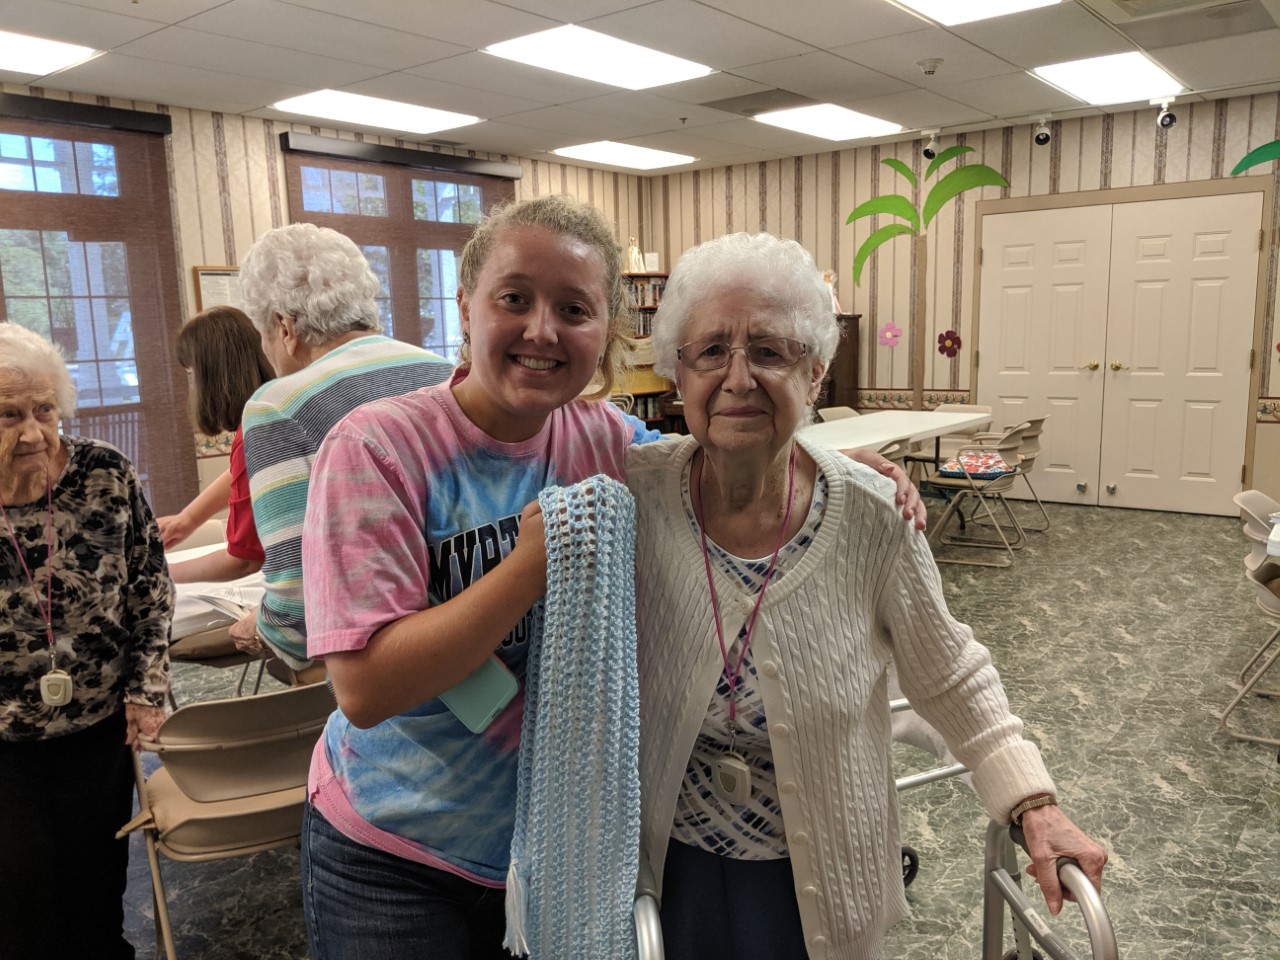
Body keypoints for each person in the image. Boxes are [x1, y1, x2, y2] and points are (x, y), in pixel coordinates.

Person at [299, 196, 924, 959]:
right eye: (513, 299)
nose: (541, 329)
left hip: (559, 852)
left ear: (608, 337)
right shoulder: (379, 449)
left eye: (574, 308)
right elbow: (365, 689)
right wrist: (528, 568)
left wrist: (820, 470)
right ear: (465, 307)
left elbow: (713, 459)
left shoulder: (610, 444)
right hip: (398, 853)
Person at [626, 232, 1108, 959]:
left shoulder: (874, 514)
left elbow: (949, 672)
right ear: (676, 372)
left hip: (819, 878)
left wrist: (1033, 803)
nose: (737, 376)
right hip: (671, 871)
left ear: (815, 374)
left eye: (769, 350)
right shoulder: (632, 494)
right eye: (710, 351)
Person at [0, 323, 173, 960]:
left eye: (43, 409)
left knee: (98, 884)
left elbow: (150, 584)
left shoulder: (104, 473)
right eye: (8, 414)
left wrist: (146, 685)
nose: (31, 431)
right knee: (19, 901)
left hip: (100, 720)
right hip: (4, 738)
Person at [226, 222, 456, 668]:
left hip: (387, 673)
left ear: (284, 326)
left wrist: (261, 626)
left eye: (263, 336)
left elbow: (297, 613)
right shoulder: (446, 372)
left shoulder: (278, 406)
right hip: (484, 639)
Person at [158, 306, 275, 583]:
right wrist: (187, 519)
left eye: (191, 373)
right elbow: (245, 475)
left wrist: (155, 575)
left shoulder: (258, 430)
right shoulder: (274, 405)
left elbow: (244, 561)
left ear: (209, 375)